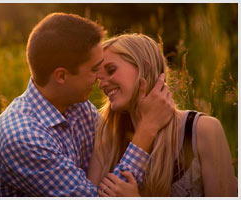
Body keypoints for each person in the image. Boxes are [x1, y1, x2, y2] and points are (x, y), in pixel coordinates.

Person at [0, 13, 174, 196]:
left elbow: (109, 163)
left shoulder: (76, 106)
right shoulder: (22, 138)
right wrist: (147, 127)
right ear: (61, 76)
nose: (100, 78)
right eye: (94, 69)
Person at [87, 33, 238, 197]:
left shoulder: (203, 130)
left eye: (111, 70)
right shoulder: (106, 138)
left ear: (145, 67)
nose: (101, 84)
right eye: (99, 79)